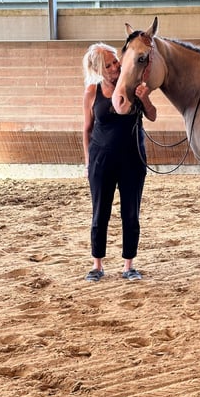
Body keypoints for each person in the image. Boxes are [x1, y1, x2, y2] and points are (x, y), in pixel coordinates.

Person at [81, 43, 157, 282]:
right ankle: (97, 265)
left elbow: (153, 115)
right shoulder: (92, 92)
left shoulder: (133, 86)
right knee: (99, 212)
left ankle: (129, 265)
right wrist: (87, 162)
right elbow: (87, 129)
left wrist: (144, 99)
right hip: (101, 159)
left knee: (131, 213)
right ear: (99, 70)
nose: (116, 66)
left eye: (116, 61)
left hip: (133, 157)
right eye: (109, 65)